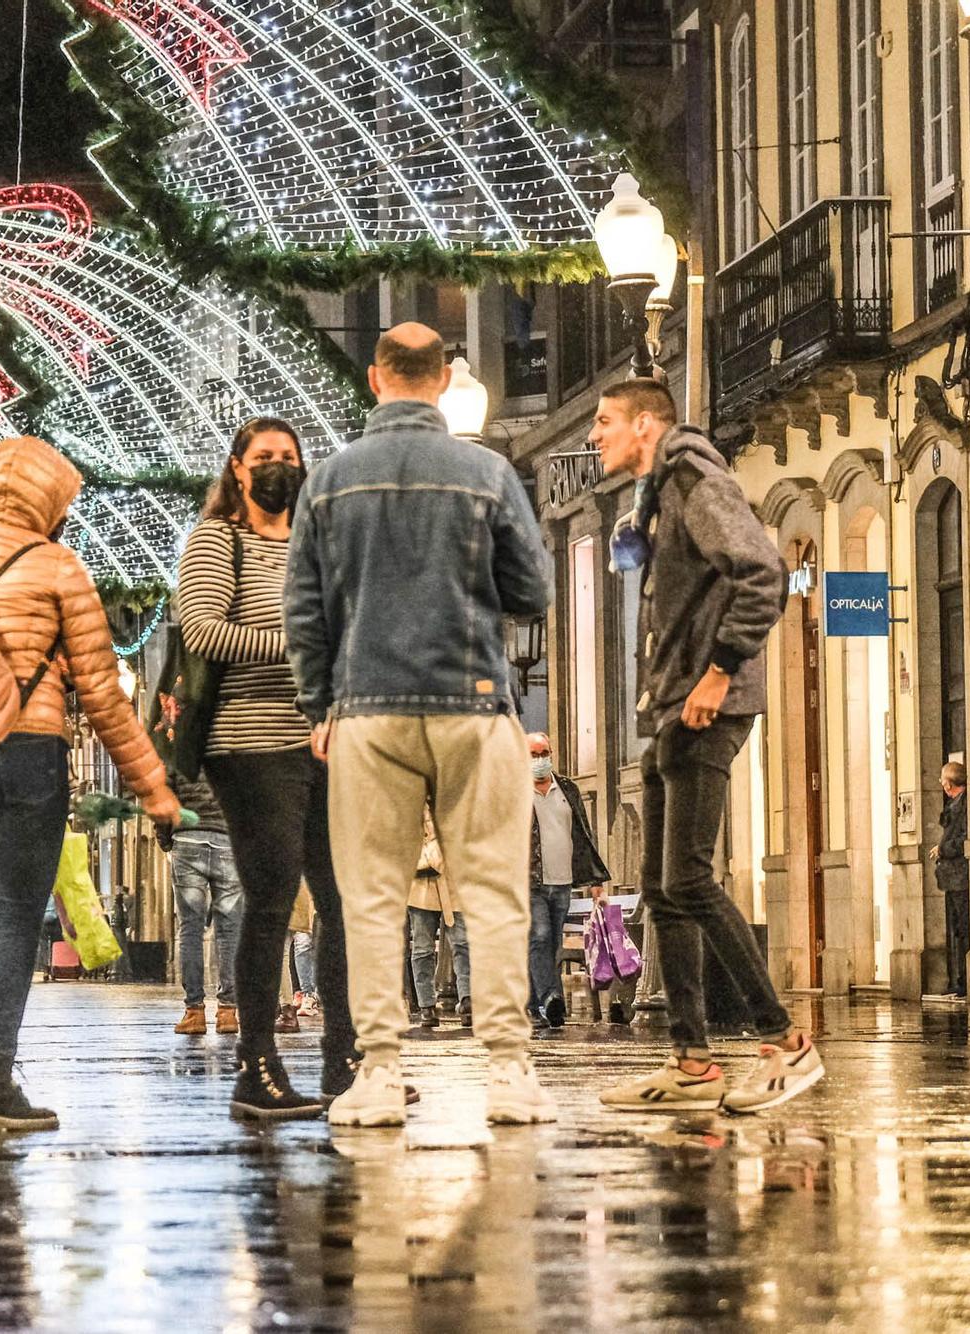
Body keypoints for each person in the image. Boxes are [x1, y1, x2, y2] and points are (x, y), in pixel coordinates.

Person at [285, 323, 555, 1128]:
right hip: (473, 703)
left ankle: (377, 1071)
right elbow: (534, 589)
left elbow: (302, 609)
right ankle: (507, 1070)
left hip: (367, 710)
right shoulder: (486, 471)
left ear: (376, 380)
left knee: (370, 896)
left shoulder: (329, 482)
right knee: (495, 894)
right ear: (442, 382)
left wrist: (318, 705)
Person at [0, 436, 182, 1133]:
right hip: (25, 749)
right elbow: (102, 695)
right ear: (48, 501)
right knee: (14, 912)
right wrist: (155, 789)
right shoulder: (58, 566)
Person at [586, 376, 823, 1114]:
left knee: (688, 878)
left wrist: (719, 673)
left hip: (704, 707)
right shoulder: (656, 492)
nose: (595, 436)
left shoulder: (695, 476)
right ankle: (691, 1062)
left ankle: (787, 1044)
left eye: (604, 422)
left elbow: (762, 574)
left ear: (646, 424)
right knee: (661, 889)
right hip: (670, 706)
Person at [177, 416, 355, 1121]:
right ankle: (257, 1063)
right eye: (264, 457)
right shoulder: (220, 539)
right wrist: (303, 645)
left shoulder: (320, 546)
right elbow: (203, 630)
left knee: (343, 902)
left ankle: (347, 1059)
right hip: (249, 744)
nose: (279, 466)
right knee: (274, 896)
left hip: (327, 742)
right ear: (238, 469)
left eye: (289, 456)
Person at [526, 732, 609, 1028]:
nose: (540, 759)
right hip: (529, 881)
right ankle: (550, 998)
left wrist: (595, 881)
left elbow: (583, 836)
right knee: (538, 935)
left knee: (549, 945)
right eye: (534, 754)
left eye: (544, 753)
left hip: (562, 881)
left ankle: (534, 1007)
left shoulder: (567, 789)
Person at [166, 775, 241, 1037]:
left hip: (187, 839)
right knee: (229, 931)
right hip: (227, 839)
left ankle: (194, 1012)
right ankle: (228, 1012)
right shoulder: (232, 742)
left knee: (190, 929)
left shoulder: (181, 746)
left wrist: (166, 838)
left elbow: (163, 794)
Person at [408, 809, 470, 1031]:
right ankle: (427, 1004)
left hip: (454, 880)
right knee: (423, 948)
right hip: (420, 883)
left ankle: (467, 1000)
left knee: (463, 943)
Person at [934, 761, 970, 999]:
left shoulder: (964, 805)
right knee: (957, 929)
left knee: (963, 928)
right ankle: (959, 979)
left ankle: (964, 980)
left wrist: (943, 849)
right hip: (952, 877)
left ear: (948, 784)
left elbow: (963, 839)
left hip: (959, 876)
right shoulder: (954, 804)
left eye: (942, 780)